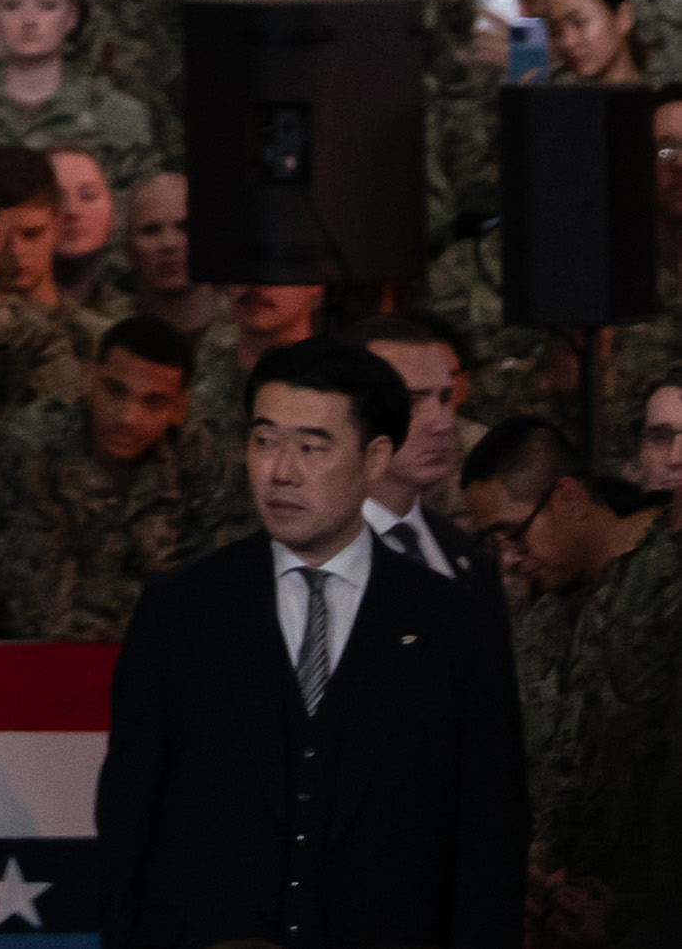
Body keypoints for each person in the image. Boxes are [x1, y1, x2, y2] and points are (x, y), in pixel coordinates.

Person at [95, 334, 526, 949]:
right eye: (264, 440)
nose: (281, 472)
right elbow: (127, 823)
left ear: (375, 458)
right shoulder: (182, 609)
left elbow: (490, 840)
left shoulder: (452, 624)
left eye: (312, 447)